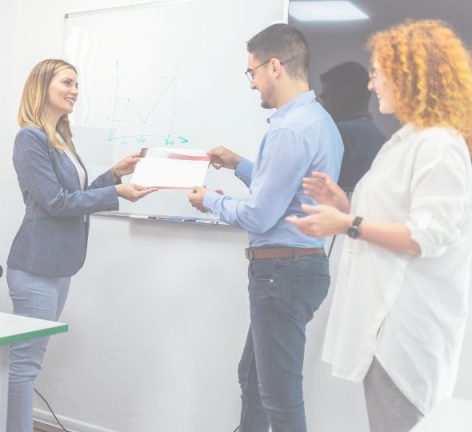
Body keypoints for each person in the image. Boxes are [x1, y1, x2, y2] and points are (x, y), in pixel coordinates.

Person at [286, 19, 472, 432]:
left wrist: (347, 222)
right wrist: (343, 203)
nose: (371, 86)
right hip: (384, 321)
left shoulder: (440, 146)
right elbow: (389, 215)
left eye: (377, 73)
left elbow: (427, 235)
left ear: (409, 75)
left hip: (407, 328)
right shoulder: (407, 140)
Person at [188, 24, 343, 432]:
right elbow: (285, 187)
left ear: (274, 67)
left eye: (252, 72)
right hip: (294, 269)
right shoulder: (316, 121)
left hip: (281, 274)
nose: (252, 83)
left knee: (279, 399)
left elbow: (259, 215)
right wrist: (239, 163)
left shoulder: (289, 129)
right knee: (254, 381)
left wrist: (210, 200)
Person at [6, 58, 155, 432]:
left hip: (59, 266)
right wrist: (117, 192)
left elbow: (77, 196)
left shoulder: (60, 139)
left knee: (29, 363)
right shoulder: (30, 138)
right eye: (67, 82)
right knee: (25, 366)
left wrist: (114, 175)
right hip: (35, 266)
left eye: (77, 84)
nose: (75, 91)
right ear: (42, 86)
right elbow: (56, 202)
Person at [318, 61, 386, 192]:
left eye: (326, 97)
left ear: (344, 92)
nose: (323, 106)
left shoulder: (336, 135)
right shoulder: (384, 142)